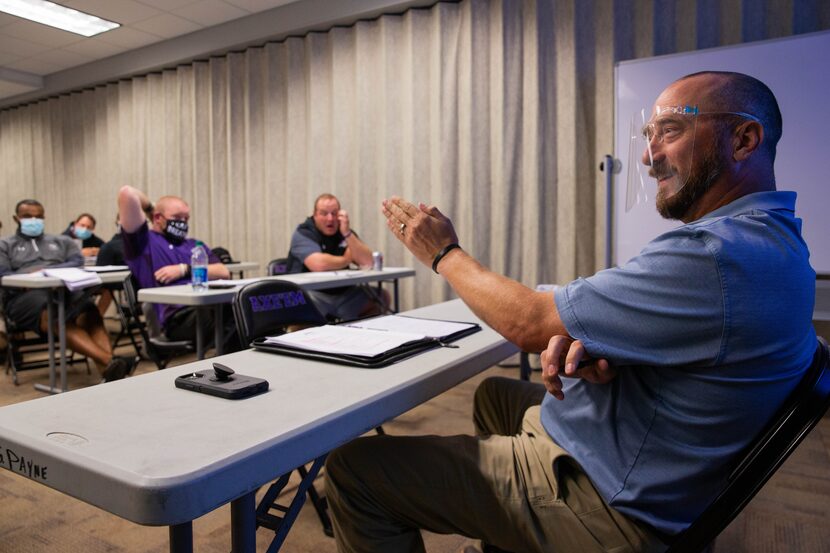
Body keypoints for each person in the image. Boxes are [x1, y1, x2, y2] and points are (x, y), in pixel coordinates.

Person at [324, 71, 816, 553]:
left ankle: (528, 511)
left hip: (611, 505)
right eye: (648, 136)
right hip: (645, 458)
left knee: (354, 471)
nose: (648, 156)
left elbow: (528, 323)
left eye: (671, 130)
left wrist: (443, 253)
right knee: (495, 395)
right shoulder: (770, 243)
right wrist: (613, 350)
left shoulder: (716, 254)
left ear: (744, 139)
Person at [0, 200, 133, 382]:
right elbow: (4, 274)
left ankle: (109, 373)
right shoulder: (5, 245)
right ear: (16, 218)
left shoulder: (60, 241)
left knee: (90, 310)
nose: (34, 220)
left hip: (63, 288)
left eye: (38, 217)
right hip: (24, 296)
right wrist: (32, 274)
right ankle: (110, 361)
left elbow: (76, 260)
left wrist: (50, 271)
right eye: (27, 217)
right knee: (54, 315)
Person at [117, 186, 238, 350]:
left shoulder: (195, 244)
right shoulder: (145, 243)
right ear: (158, 218)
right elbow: (127, 193)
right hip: (179, 317)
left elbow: (223, 272)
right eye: (177, 217)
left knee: (247, 309)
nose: (182, 223)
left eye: (186, 218)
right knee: (235, 319)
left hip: (208, 305)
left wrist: (184, 269)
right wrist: (152, 209)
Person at [286, 193, 388, 321]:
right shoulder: (303, 232)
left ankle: (359, 337)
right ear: (315, 214)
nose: (330, 219)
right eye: (324, 213)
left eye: (334, 213)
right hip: (312, 294)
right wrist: (346, 259)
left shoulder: (344, 231)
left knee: (381, 297)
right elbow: (319, 264)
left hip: (343, 294)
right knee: (300, 308)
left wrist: (347, 233)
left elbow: (368, 262)